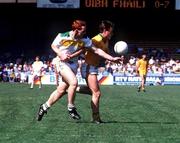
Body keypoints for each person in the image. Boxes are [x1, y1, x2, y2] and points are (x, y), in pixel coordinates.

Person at [36, 20, 121, 122]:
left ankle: (44, 107)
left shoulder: (85, 39)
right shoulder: (63, 35)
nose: (85, 33)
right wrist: (60, 54)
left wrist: (111, 58)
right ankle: (71, 107)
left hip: (73, 65)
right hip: (62, 62)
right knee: (74, 82)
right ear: (76, 30)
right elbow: (53, 45)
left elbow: (97, 50)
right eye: (83, 31)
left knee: (61, 90)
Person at [79, 20, 118, 124]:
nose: (112, 33)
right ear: (105, 30)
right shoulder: (95, 40)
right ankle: (96, 118)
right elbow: (84, 50)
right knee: (97, 93)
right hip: (88, 66)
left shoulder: (106, 40)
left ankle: (71, 89)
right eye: (111, 31)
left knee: (92, 92)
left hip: (93, 67)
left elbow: (105, 53)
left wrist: (113, 58)